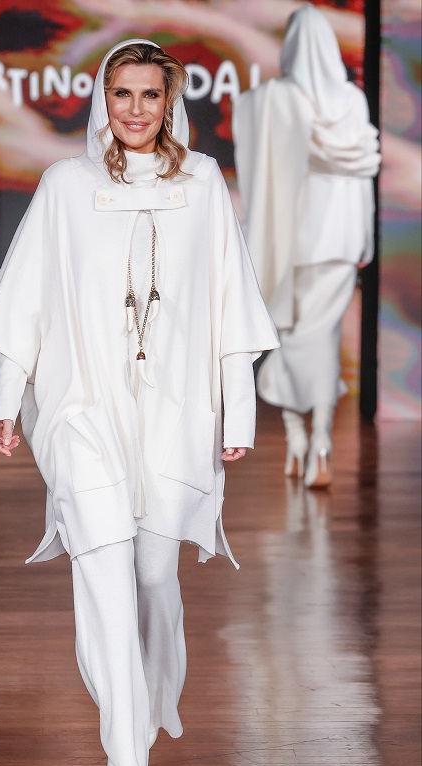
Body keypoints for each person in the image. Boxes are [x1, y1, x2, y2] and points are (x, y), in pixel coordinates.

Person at [0, 39, 279, 766]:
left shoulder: (201, 183)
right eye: (122, 93)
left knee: (151, 576)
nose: (136, 109)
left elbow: (230, 303)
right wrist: (7, 397)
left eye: (150, 94)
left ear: (169, 102)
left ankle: (146, 699)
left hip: (174, 408)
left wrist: (237, 409)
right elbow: (25, 299)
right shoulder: (65, 185)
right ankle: (123, 750)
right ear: (102, 99)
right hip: (83, 404)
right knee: (103, 565)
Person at [234, 4, 381, 488]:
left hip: (291, 241)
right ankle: (319, 439)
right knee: (320, 340)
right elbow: (363, 175)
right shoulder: (352, 101)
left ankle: (298, 439)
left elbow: (258, 163)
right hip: (340, 240)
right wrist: (365, 236)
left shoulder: (277, 98)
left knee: (290, 335)